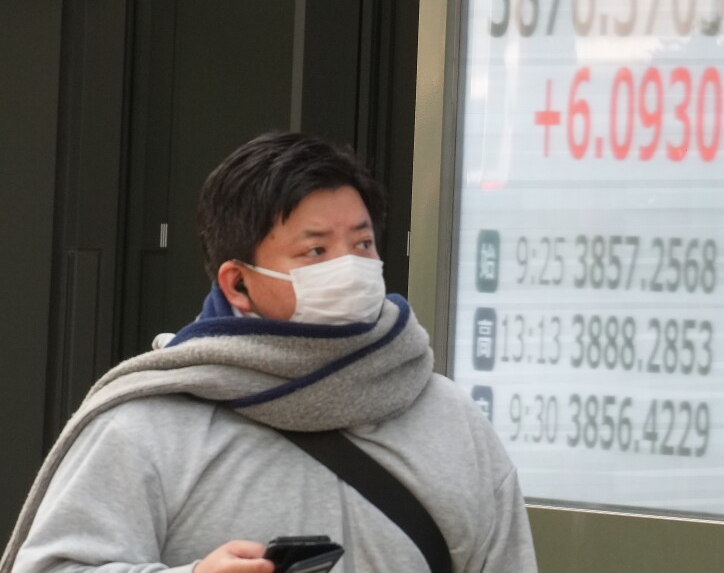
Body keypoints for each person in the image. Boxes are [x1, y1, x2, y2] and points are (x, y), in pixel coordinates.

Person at [2, 132, 536, 572]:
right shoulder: (148, 424)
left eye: (363, 243)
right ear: (238, 284)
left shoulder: (449, 417)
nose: (350, 266)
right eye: (316, 250)